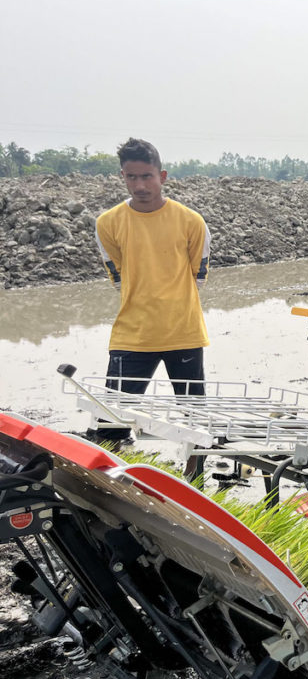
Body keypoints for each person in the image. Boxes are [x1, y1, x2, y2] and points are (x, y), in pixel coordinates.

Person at [92, 138, 211, 472]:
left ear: (163, 176)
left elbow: (198, 275)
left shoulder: (191, 222)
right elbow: (117, 276)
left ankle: (196, 479)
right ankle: (109, 483)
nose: (140, 185)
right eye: (132, 177)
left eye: (147, 176)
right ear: (122, 177)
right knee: (110, 422)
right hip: (132, 335)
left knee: (194, 419)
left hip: (184, 332)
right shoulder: (108, 223)